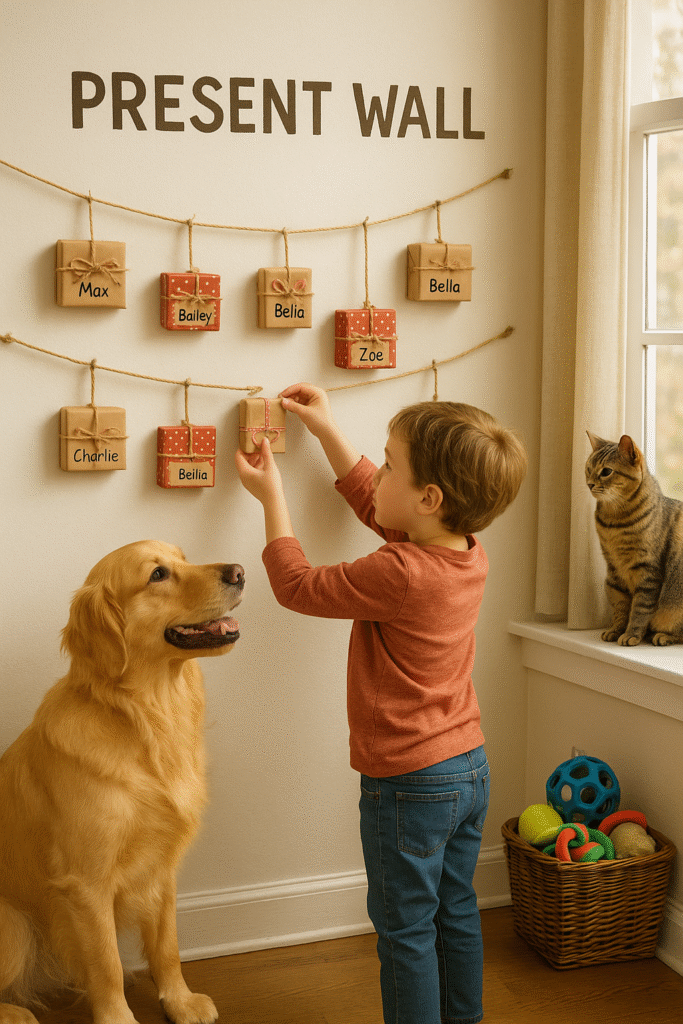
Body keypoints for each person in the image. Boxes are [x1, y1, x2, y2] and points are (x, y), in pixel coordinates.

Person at [235, 383, 527, 1024]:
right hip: (466, 765)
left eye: (391, 460)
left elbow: (297, 586)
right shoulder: (466, 550)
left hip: (410, 780)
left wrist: (273, 498)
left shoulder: (400, 571)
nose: (381, 469)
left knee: (404, 930)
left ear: (429, 499)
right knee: (454, 910)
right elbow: (380, 503)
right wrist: (327, 432)